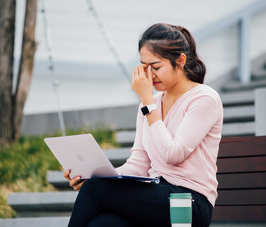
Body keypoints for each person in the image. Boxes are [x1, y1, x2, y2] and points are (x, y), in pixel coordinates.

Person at [64, 23, 223, 227]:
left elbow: (173, 153)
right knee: (103, 223)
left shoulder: (204, 98)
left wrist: (148, 102)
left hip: (189, 202)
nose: (149, 75)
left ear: (180, 61)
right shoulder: (150, 104)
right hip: (156, 197)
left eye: (156, 67)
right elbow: (138, 164)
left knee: (95, 190)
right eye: (144, 67)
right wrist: (96, 176)